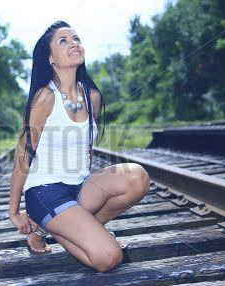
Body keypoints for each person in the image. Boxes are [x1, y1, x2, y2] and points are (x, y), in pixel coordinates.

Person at [8, 21, 150, 272]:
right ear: (50, 59)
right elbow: (24, 152)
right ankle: (60, 228)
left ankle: (72, 228)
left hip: (82, 188)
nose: (74, 43)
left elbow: (87, 150)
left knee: (137, 177)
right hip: (45, 191)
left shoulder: (91, 96)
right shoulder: (45, 97)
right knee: (109, 257)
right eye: (63, 41)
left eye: (76, 38)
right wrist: (14, 211)